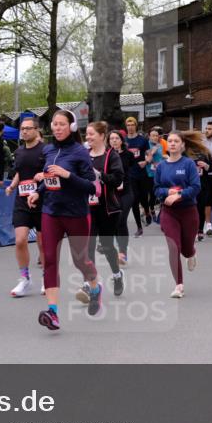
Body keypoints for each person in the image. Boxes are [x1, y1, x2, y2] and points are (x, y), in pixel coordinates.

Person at [25, 110, 101, 330]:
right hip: (51, 211)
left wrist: (67, 175)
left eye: (62, 124)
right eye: (54, 124)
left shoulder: (80, 152)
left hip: (76, 213)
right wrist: (38, 191)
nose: (57, 128)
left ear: (72, 127)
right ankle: (53, 312)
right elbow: (49, 176)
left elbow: (91, 187)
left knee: (80, 261)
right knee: (50, 260)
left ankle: (95, 288)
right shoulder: (48, 149)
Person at [154, 131, 203, 299]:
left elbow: (196, 187)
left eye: (176, 141)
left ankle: (191, 253)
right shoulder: (161, 166)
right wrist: (167, 192)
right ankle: (179, 285)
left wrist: (179, 195)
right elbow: (156, 189)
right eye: (170, 141)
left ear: (182, 145)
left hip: (188, 210)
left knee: (186, 249)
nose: (173, 143)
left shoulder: (188, 164)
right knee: (174, 247)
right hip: (169, 212)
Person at [80, 122, 126, 298]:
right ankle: (88, 284)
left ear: (102, 135)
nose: (88, 137)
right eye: (87, 135)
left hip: (107, 208)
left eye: (92, 134)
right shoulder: (84, 155)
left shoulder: (111, 156)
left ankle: (117, 275)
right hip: (87, 208)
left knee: (107, 246)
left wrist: (99, 175)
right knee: (88, 246)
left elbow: (118, 179)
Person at [5, 115, 46, 297]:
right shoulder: (19, 151)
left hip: (43, 200)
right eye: (22, 129)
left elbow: (52, 171)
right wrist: (13, 185)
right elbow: (20, 172)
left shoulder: (46, 150)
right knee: (20, 240)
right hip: (22, 200)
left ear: (37, 130)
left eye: (28, 128)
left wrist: (43, 177)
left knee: (43, 243)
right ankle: (25, 279)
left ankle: (47, 277)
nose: (24, 131)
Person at [109, 129, 135, 266]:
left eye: (116, 138)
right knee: (114, 221)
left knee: (121, 219)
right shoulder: (106, 156)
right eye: (111, 139)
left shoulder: (128, 155)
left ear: (121, 140)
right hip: (112, 193)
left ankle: (122, 253)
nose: (114, 141)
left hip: (126, 192)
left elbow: (132, 170)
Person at [124, 117, 151, 233]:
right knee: (134, 200)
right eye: (128, 125)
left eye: (132, 125)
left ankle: (147, 211)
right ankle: (139, 227)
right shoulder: (123, 141)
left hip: (141, 173)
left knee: (144, 197)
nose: (130, 127)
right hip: (129, 174)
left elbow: (149, 155)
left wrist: (145, 162)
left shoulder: (142, 140)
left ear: (136, 126)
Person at [144, 127, 165, 223]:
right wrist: (152, 152)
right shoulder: (146, 145)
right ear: (149, 136)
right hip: (149, 173)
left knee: (157, 194)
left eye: (156, 136)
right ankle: (150, 211)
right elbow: (147, 159)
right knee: (150, 194)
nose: (155, 137)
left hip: (159, 173)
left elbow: (160, 158)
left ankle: (156, 211)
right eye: (153, 135)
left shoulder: (160, 145)